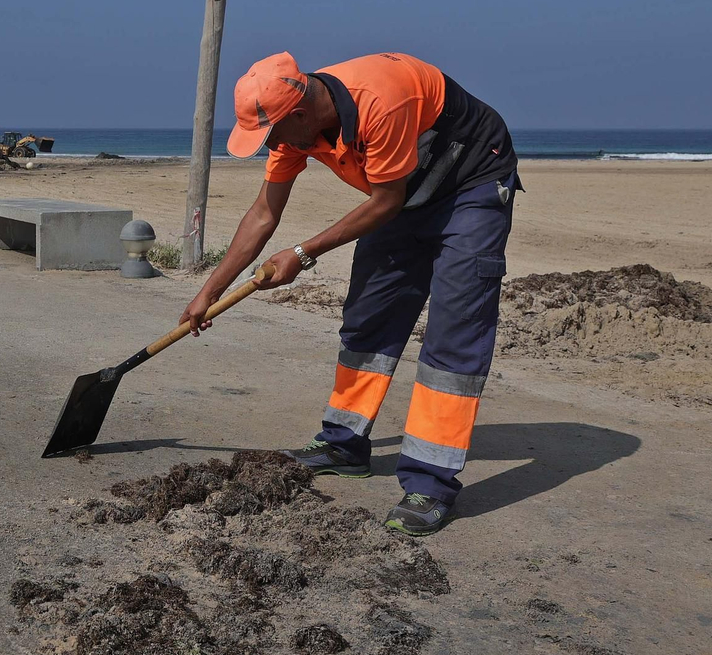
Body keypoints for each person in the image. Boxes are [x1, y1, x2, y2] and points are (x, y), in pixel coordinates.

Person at [181, 51, 520, 537]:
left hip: (472, 184)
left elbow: (385, 201)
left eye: (271, 136)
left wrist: (302, 253)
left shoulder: (382, 98)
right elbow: (263, 214)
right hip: (404, 189)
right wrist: (207, 293)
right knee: (369, 315)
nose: (271, 146)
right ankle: (344, 444)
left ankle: (431, 483)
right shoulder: (295, 125)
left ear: (298, 114)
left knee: (453, 332)